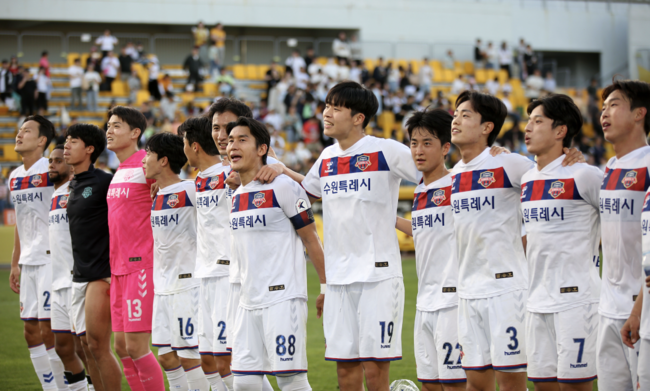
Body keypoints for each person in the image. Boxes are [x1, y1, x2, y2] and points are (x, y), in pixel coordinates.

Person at [265, 81, 418, 390]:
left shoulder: (386, 150)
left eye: (336, 108)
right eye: (326, 106)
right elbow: (310, 191)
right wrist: (282, 171)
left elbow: (433, 176)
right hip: (338, 278)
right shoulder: (327, 156)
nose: (326, 113)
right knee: (346, 373)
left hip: (378, 276)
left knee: (375, 372)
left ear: (359, 117)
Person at [449, 91, 583, 391]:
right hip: (468, 291)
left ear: (487, 127)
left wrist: (571, 157)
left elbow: (549, 174)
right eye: (455, 114)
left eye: (465, 115)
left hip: (506, 292)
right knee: (476, 383)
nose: (456, 120)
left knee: (512, 383)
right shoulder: (455, 173)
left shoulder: (508, 164)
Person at [226, 116, 326, 390]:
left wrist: (326, 287)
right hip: (247, 301)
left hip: (282, 298)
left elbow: (311, 239)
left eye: (242, 139)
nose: (233, 145)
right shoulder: (236, 195)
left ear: (262, 150)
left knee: (290, 380)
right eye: (231, 140)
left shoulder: (282, 186)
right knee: (244, 383)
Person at [521, 94, 602, 389]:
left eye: (537, 121)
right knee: (543, 384)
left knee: (574, 386)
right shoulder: (527, 178)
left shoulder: (584, 174)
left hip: (576, 301)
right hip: (536, 301)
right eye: (528, 120)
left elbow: (622, 221)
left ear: (560, 131)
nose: (528, 127)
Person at [207, 98, 281, 391]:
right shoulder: (222, 168)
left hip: (256, 279)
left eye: (228, 127)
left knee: (244, 365)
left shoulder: (266, 165)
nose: (220, 134)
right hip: (226, 275)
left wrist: (279, 168)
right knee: (236, 367)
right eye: (215, 128)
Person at [394, 109, 467, 389]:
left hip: (452, 301)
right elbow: (423, 230)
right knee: (429, 383)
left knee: (454, 384)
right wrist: (389, 218)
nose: (418, 150)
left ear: (446, 148)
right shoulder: (420, 190)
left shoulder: (459, 183)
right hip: (424, 302)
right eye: (414, 143)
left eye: (427, 143)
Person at [142, 132, 210, 391]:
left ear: (163, 160)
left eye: (148, 154)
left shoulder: (190, 189)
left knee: (190, 356)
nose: (144, 160)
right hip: (163, 286)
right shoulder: (157, 194)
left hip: (187, 285)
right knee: (167, 357)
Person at [106, 106, 165, 391]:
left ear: (135, 133)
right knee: (121, 346)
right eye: (108, 125)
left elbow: (172, 189)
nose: (109, 130)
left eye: (116, 125)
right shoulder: (119, 169)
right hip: (117, 267)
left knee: (137, 347)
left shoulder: (147, 163)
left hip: (141, 264)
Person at [596, 80, 650, 390]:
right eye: (603, 107)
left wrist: (640, 308)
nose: (604, 112)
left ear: (640, 113)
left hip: (641, 307)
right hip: (608, 308)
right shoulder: (609, 167)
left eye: (614, 105)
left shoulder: (648, 163)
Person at [9, 115, 66, 390]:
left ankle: (72, 385)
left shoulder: (52, 169)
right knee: (31, 333)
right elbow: (21, 222)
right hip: (28, 262)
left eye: (27, 131)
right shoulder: (14, 177)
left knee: (50, 331)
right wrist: (14, 263)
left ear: (42, 140)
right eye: (19, 131)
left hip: (50, 260)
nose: (19, 135)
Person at [64, 123, 119, 391]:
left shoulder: (105, 181)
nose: (66, 145)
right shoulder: (72, 184)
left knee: (98, 345)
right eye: (66, 140)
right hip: (79, 273)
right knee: (84, 346)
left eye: (73, 141)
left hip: (101, 273)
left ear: (89, 149)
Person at [47, 144, 90, 391]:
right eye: (50, 161)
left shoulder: (80, 190)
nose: (52, 164)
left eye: (58, 160)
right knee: (63, 347)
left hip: (77, 281)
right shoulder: (55, 195)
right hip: (58, 282)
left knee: (86, 347)